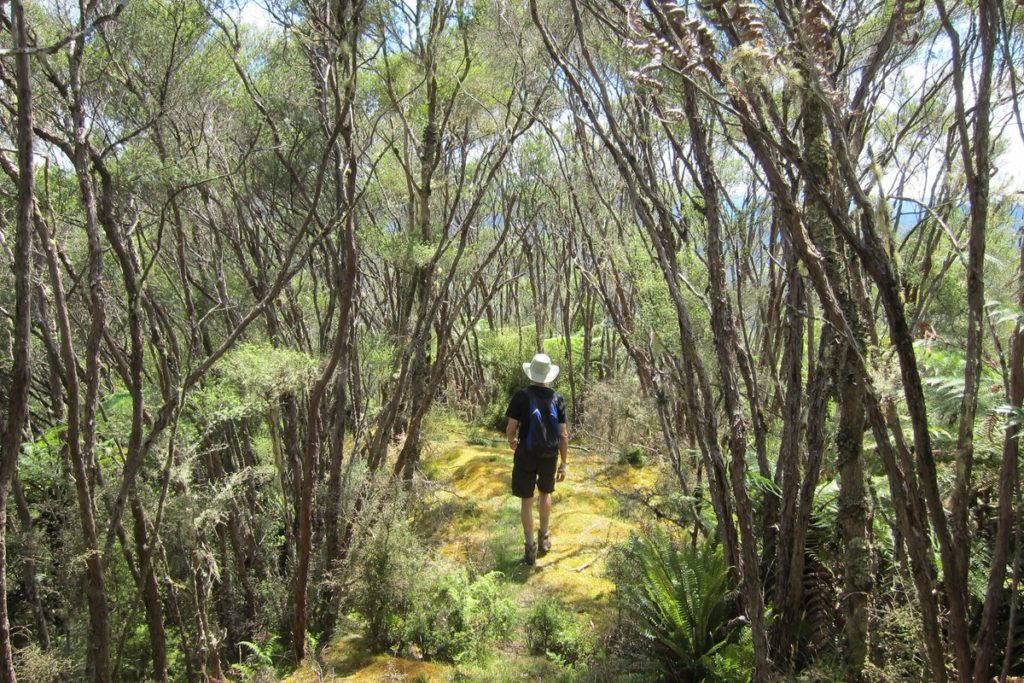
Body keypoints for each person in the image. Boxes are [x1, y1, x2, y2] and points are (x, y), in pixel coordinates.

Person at [505, 353, 569, 566]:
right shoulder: (557, 398)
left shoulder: (521, 396)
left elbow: (511, 428)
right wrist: (564, 463)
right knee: (545, 493)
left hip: (526, 454)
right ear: (548, 375)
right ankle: (544, 539)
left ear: (531, 372)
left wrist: (512, 441)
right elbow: (563, 435)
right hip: (550, 455)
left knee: (526, 499)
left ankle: (530, 548)